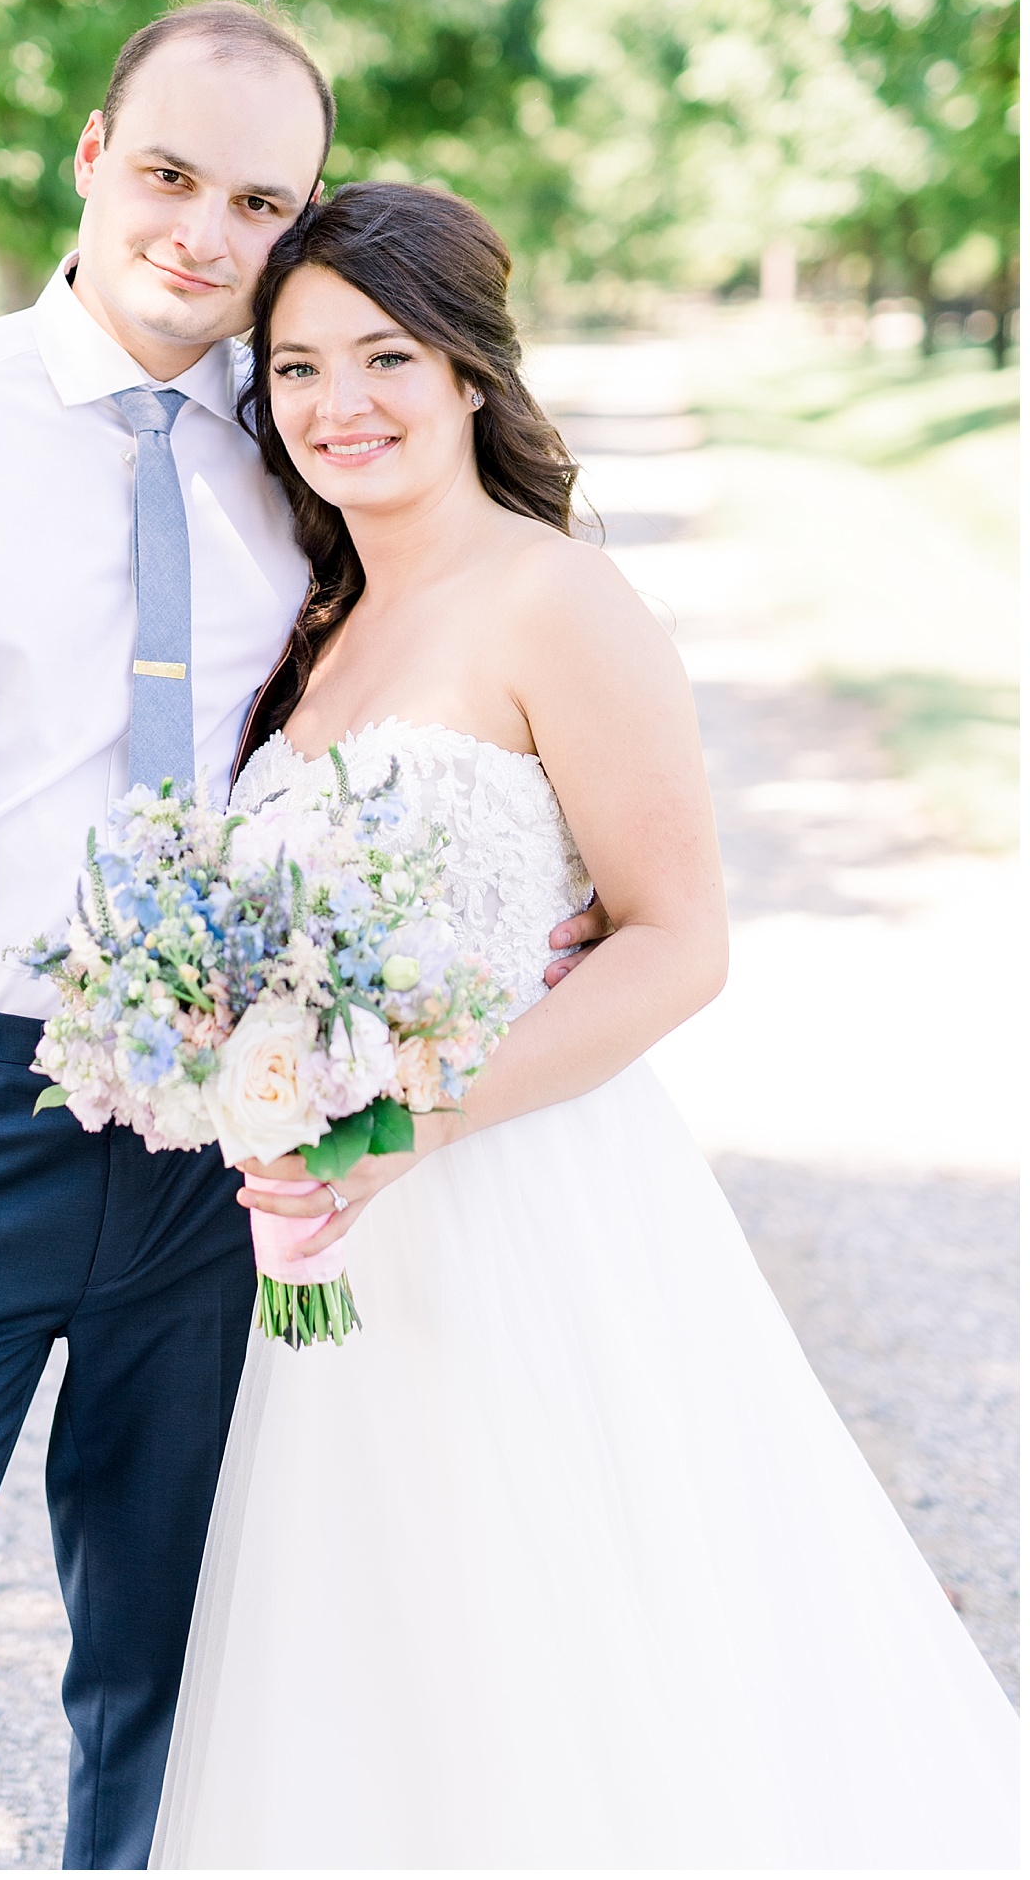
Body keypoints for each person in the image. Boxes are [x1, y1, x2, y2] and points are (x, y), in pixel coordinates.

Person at [0, 0, 610, 1871]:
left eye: (261, 199)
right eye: (170, 173)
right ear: (94, 159)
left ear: (301, 218)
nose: (203, 230)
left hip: (224, 1148)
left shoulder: (311, 453)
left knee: (177, 1674)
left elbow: (449, 718)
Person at [148, 179, 1020, 1872]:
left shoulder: (558, 600)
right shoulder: (318, 623)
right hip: (339, 1251)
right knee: (381, 1682)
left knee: (577, 1671)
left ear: (472, 370)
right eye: (301, 367)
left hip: (524, 1216)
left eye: (387, 355)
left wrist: (405, 1123)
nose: (342, 406)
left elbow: (679, 942)